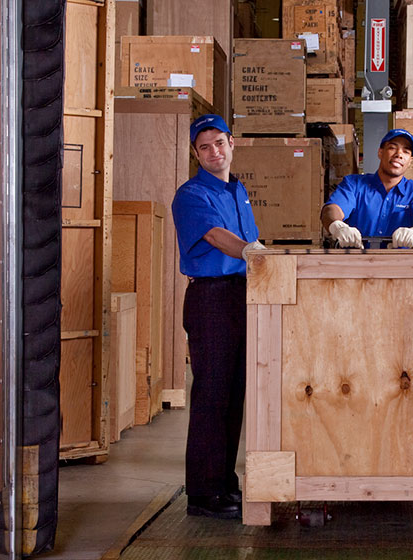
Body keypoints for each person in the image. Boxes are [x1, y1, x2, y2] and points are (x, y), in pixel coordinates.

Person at [171, 114, 265, 519]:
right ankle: (203, 494)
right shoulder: (191, 194)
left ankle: (226, 484)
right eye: (204, 147)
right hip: (211, 299)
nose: (214, 152)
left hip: (241, 295)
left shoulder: (238, 190)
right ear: (196, 153)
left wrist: (259, 252)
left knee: (234, 393)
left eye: (219, 143)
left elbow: (250, 239)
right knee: (211, 393)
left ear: (232, 143)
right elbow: (214, 236)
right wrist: (249, 251)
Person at [321, 129, 413, 248]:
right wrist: (337, 226)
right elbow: (333, 208)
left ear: (410, 161)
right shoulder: (354, 184)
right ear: (380, 152)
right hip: (355, 263)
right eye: (392, 148)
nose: (399, 154)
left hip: (399, 264)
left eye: (406, 151)